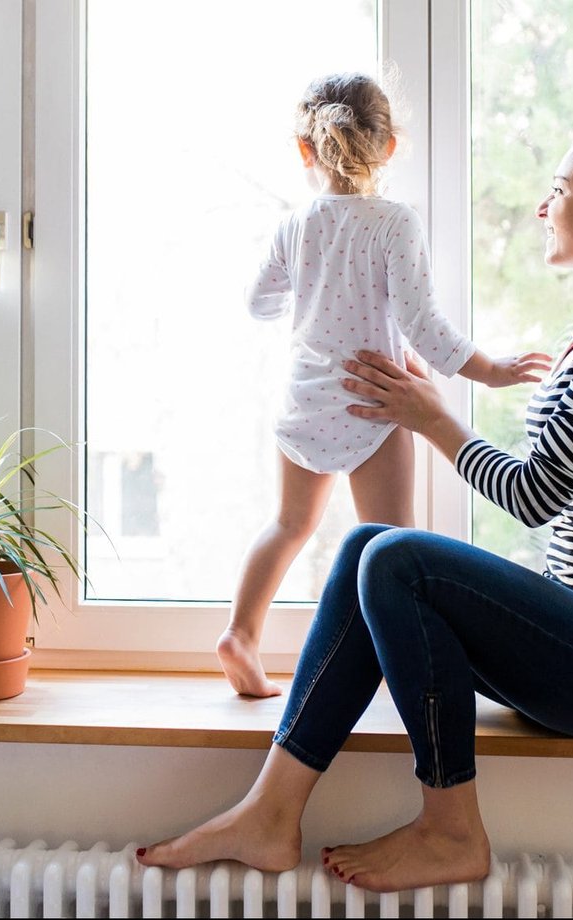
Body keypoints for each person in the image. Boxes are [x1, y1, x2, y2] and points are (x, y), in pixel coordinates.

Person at [142, 124, 573, 892]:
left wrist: (433, 418)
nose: (542, 205)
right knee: (370, 545)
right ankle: (271, 811)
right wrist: (432, 406)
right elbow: (557, 476)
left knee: (397, 557)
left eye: (559, 190)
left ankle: (451, 828)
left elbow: (534, 493)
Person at [218, 72, 546, 698]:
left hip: (306, 400)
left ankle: (241, 633)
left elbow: (258, 302)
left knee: (288, 525)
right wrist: (494, 370)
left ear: (304, 150)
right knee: (394, 548)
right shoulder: (396, 224)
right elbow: (424, 327)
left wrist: (309, 289)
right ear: (390, 146)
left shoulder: (297, 224)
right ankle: (396, 671)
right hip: (376, 401)